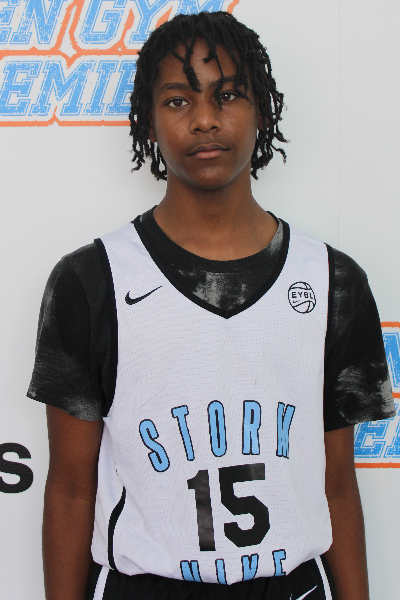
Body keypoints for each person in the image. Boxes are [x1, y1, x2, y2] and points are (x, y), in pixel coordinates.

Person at [28, 11, 395, 600]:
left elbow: (337, 484)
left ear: (261, 110)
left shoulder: (333, 281)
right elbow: (71, 489)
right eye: (178, 100)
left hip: (291, 587)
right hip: (143, 586)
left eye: (227, 95)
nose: (204, 119)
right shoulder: (89, 282)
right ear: (149, 121)